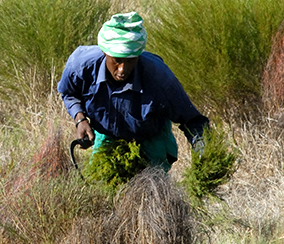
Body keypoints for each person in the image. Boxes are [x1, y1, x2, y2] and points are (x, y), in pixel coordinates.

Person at [57, 11, 210, 170]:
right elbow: (69, 93)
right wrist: (80, 119)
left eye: (130, 61)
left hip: (150, 139)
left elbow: (193, 120)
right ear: (104, 53)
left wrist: (204, 156)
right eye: (117, 61)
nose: (122, 69)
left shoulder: (159, 77)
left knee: (151, 190)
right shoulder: (81, 66)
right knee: (102, 184)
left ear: (138, 55)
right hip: (107, 135)